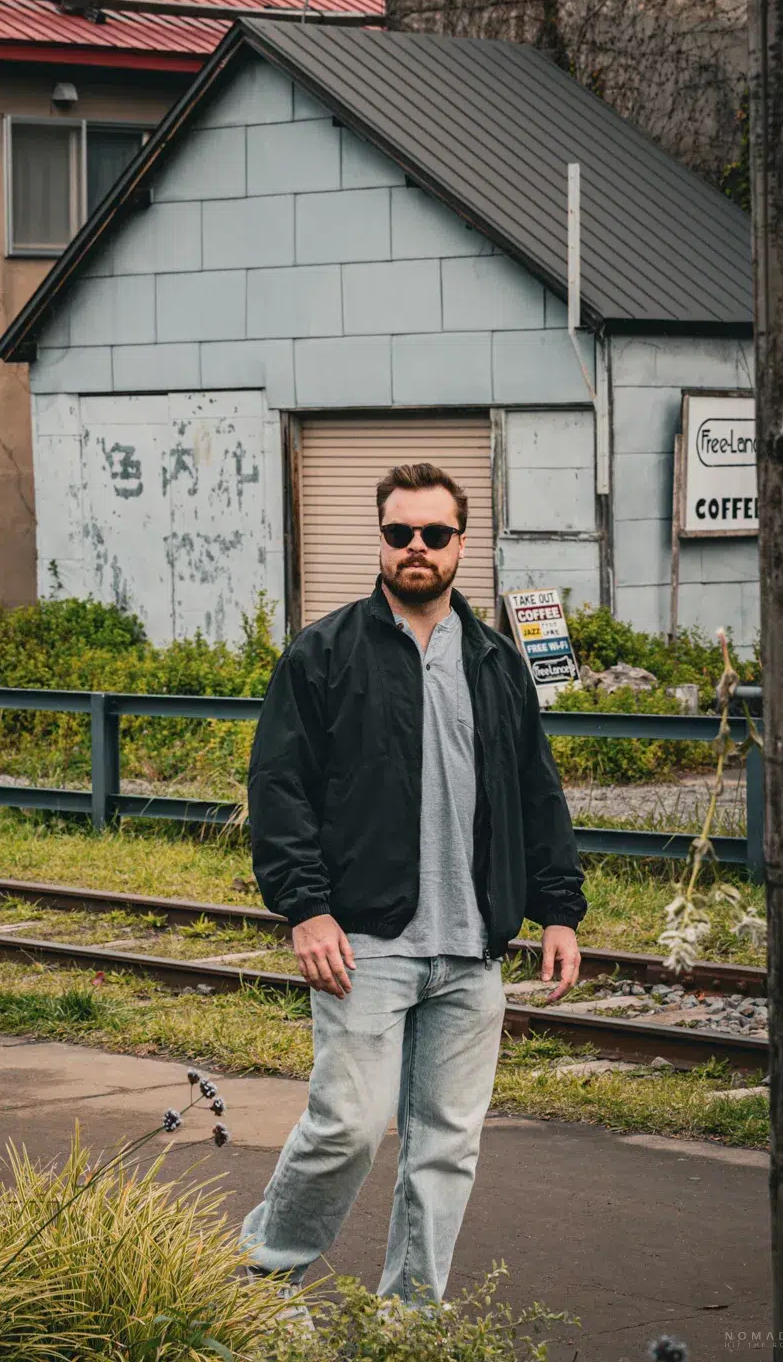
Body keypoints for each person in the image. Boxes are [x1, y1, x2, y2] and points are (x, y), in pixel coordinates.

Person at [241, 461, 586, 1307]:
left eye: (436, 534)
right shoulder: (322, 654)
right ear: (382, 541)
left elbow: (538, 795)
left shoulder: (499, 664)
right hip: (366, 944)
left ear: (463, 543)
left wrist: (558, 911)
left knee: (445, 1145)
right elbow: (279, 790)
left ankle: (408, 1319)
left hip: (473, 950)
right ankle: (254, 1278)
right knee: (347, 1129)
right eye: (401, 534)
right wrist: (307, 910)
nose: (417, 549)